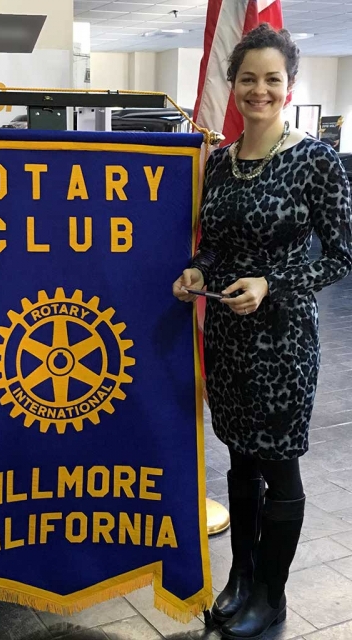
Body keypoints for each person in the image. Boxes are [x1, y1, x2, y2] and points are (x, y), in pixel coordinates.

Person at [173, 25, 352, 640]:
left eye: (272, 79)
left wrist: (272, 282)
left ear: (288, 85)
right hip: (226, 336)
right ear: (233, 85)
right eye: (248, 78)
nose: (259, 90)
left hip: (282, 345)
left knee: (279, 466)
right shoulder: (220, 163)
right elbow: (217, 247)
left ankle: (271, 597)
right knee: (239, 460)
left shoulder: (314, 160)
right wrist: (199, 269)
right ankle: (241, 579)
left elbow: (342, 255)